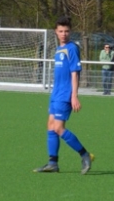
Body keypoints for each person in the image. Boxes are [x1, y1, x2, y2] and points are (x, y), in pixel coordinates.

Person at [33, 17, 93, 174]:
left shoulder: (72, 48)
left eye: (66, 31)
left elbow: (75, 73)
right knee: (50, 126)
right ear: (56, 32)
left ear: (70, 32)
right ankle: (52, 163)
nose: (64, 34)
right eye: (61, 31)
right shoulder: (59, 49)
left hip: (65, 94)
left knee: (59, 128)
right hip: (56, 93)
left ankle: (85, 155)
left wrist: (74, 96)